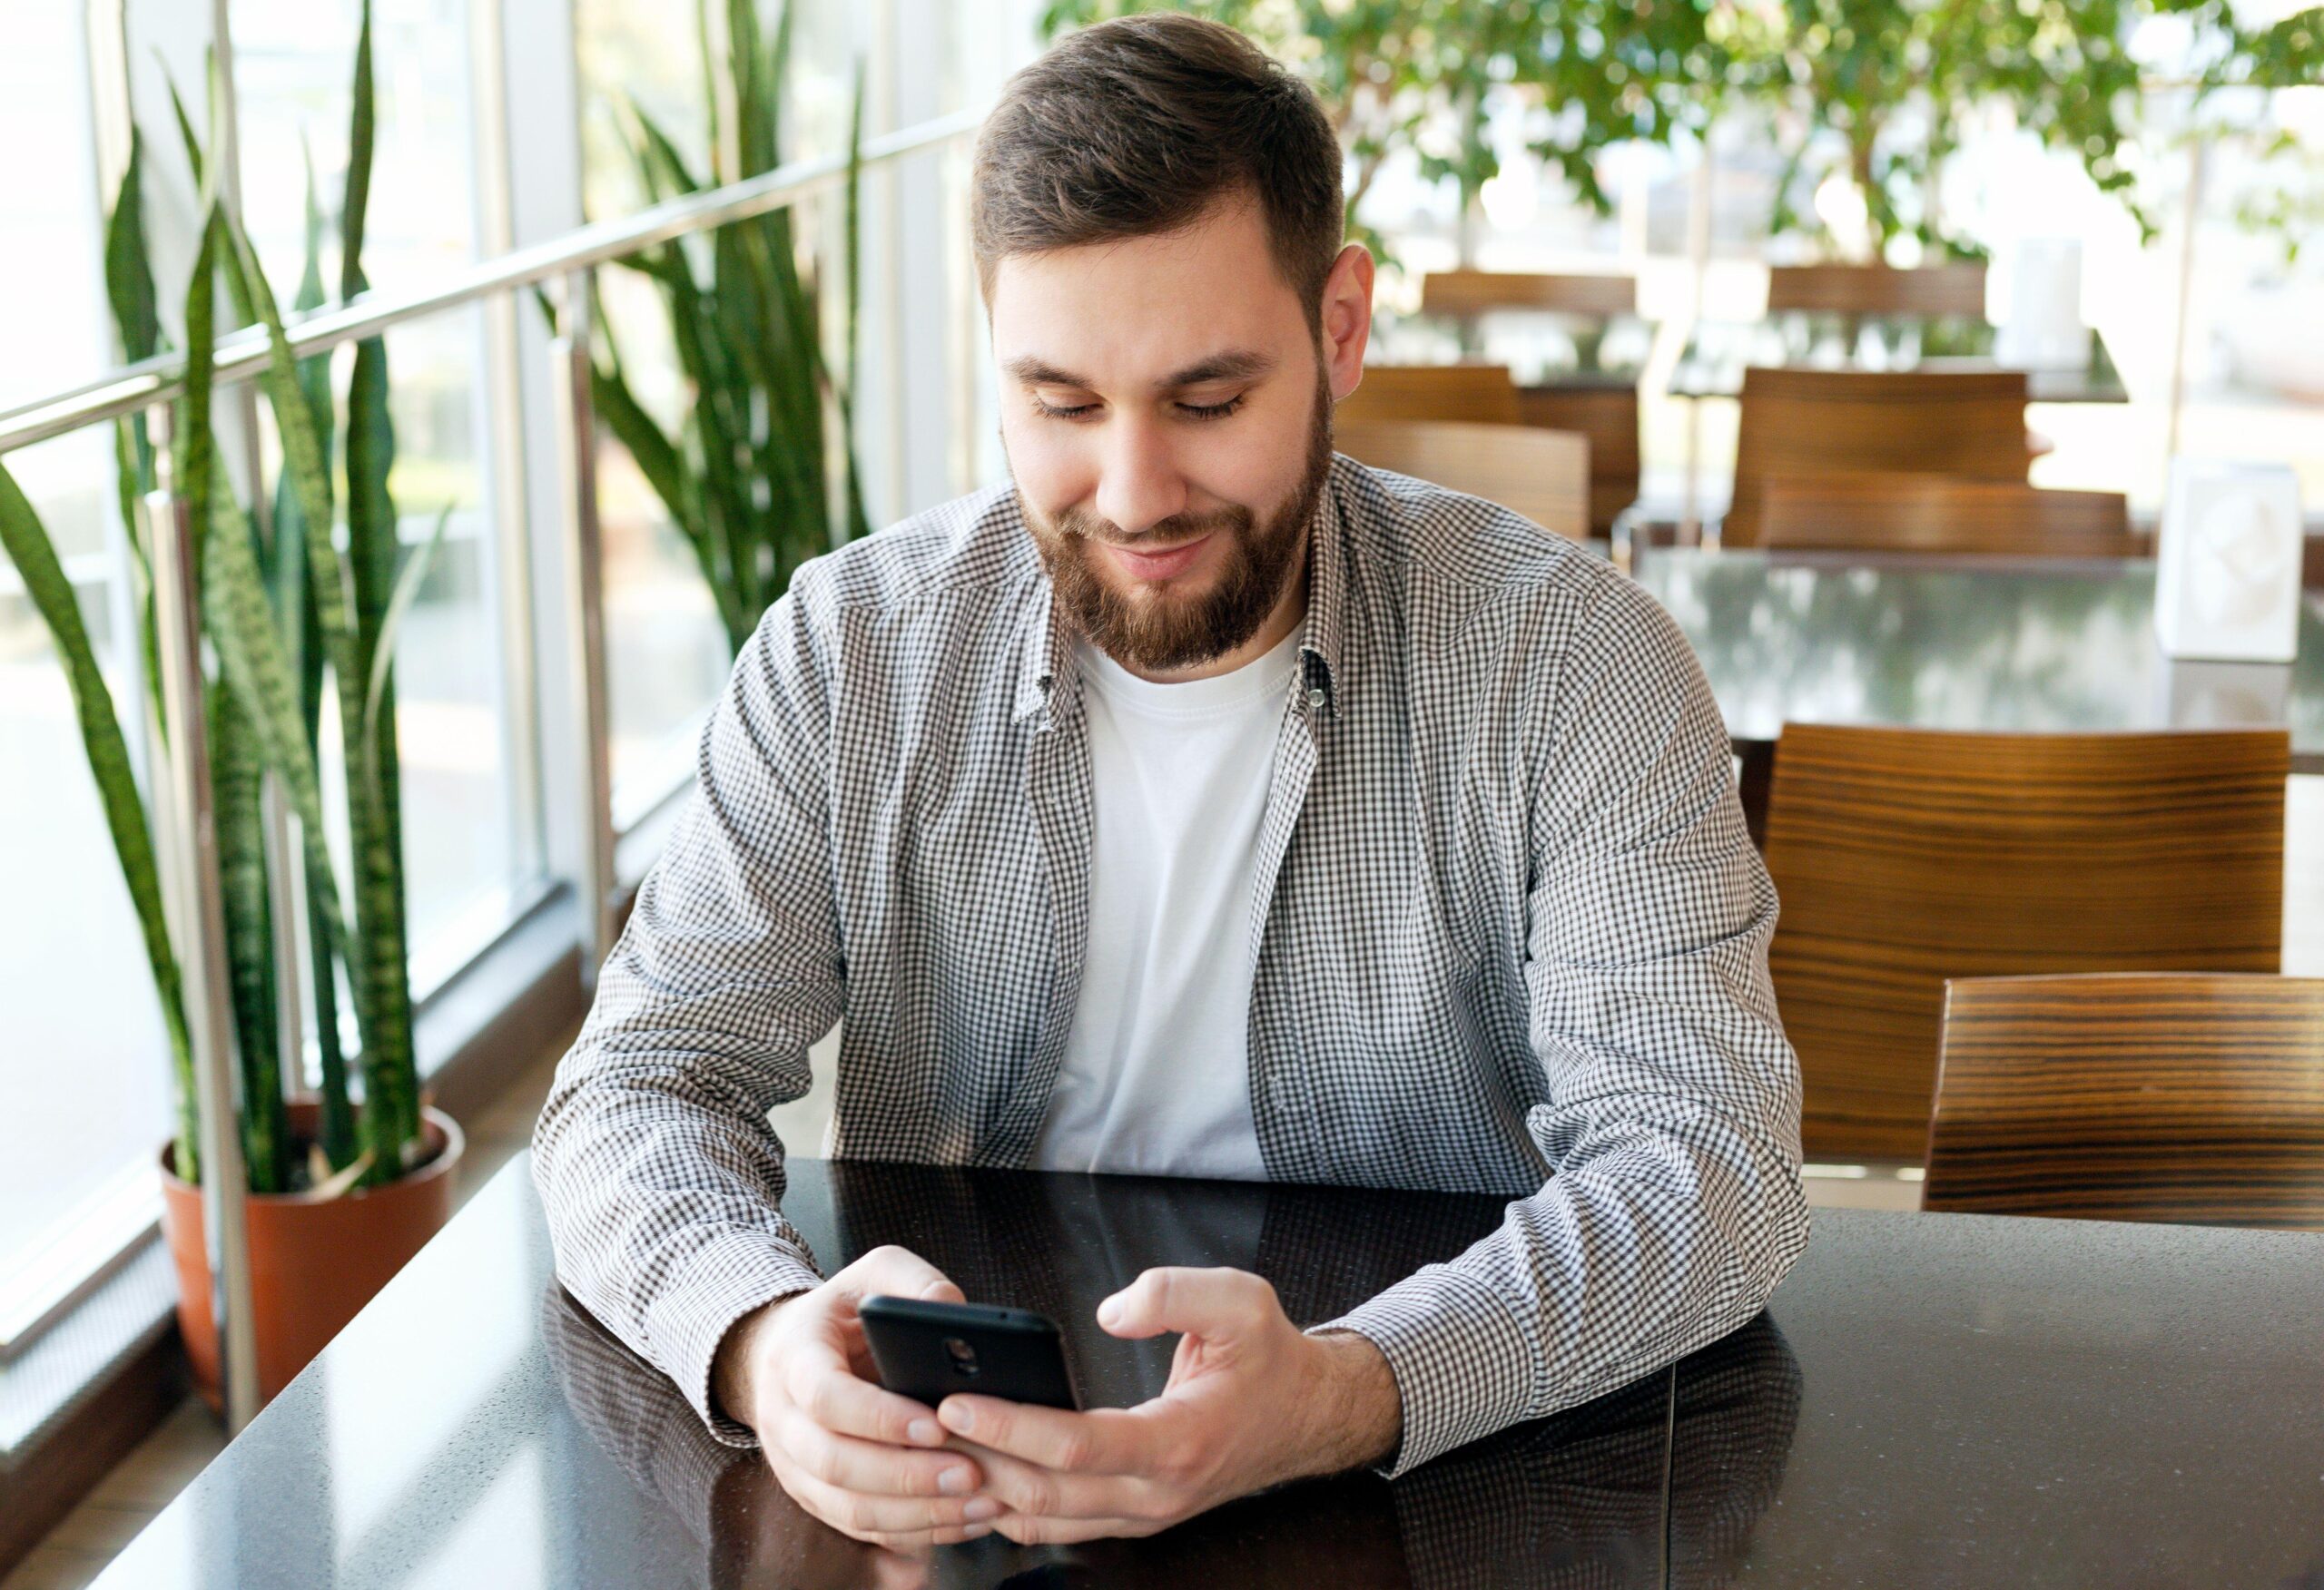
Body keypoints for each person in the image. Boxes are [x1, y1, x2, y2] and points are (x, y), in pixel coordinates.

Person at [534, 10, 1807, 1556]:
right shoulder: (847, 655)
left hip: (1425, 1501)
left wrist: (1353, 1390)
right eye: (1061, 406)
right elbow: (634, 1091)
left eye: (1208, 401)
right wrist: (753, 1338)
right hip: (969, 1493)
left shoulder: (1576, 666)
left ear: (1342, 328)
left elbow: (1709, 1163)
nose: (1134, 497)